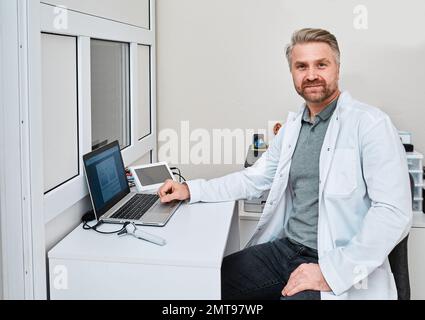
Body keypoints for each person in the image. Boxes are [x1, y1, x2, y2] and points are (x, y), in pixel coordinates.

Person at [157, 28, 412, 300]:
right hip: (287, 249)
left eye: (321, 65)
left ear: (337, 68)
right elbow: (252, 179)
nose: (311, 74)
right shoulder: (292, 128)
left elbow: (393, 212)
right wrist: (192, 190)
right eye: (301, 66)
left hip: (338, 261)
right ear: (292, 72)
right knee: (205, 284)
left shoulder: (370, 124)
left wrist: (330, 271)